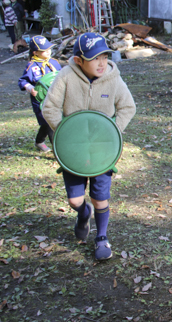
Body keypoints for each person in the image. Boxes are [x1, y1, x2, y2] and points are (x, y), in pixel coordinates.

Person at [42, 32, 136, 260]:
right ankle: (83, 214)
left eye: (104, 56)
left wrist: (111, 133)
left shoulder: (113, 78)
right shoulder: (65, 76)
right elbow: (49, 108)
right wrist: (67, 134)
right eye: (95, 58)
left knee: (100, 197)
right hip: (73, 152)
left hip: (102, 152)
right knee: (75, 200)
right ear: (78, 61)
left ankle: (102, 237)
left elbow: (128, 107)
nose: (102, 62)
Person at [17, 36, 62, 152]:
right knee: (48, 123)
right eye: (44, 50)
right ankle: (59, 151)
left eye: (49, 49)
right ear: (35, 52)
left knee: (48, 123)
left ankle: (39, 141)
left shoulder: (54, 63)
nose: (48, 52)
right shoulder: (32, 66)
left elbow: (63, 77)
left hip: (55, 99)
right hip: (40, 101)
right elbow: (22, 81)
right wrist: (30, 88)